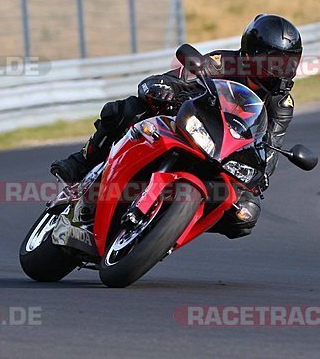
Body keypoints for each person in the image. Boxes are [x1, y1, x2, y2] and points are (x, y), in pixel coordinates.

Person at [51, 14, 303, 238]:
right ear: (251, 56)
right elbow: (178, 79)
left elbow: (270, 145)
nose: (283, 72)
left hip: (226, 152)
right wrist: (164, 88)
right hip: (191, 123)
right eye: (275, 63)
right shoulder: (223, 63)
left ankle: (170, 227)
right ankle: (82, 161)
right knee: (124, 110)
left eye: (289, 64)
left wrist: (260, 177)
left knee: (245, 216)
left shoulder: (282, 103)